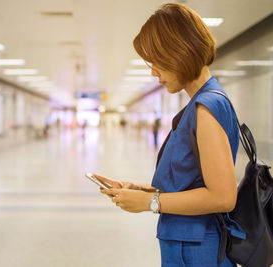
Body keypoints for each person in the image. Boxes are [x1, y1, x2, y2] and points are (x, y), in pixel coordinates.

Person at [94, 3, 245, 267]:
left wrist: (149, 203)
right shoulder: (200, 104)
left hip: (199, 251)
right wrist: (140, 189)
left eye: (156, 61)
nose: (153, 72)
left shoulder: (207, 106)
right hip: (188, 246)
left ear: (179, 52)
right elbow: (193, 183)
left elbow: (222, 196)